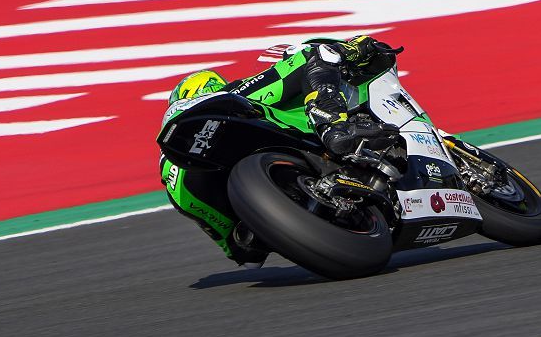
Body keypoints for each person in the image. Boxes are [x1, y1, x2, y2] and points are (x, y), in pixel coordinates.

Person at [158, 35, 399, 267]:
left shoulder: (174, 179)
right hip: (258, 145)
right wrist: (357, 47)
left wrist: (251, 232)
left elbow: (245, 254)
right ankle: (333, 124)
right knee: (315, 54)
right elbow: (321, 51)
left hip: (224, 193)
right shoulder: (238, 93)